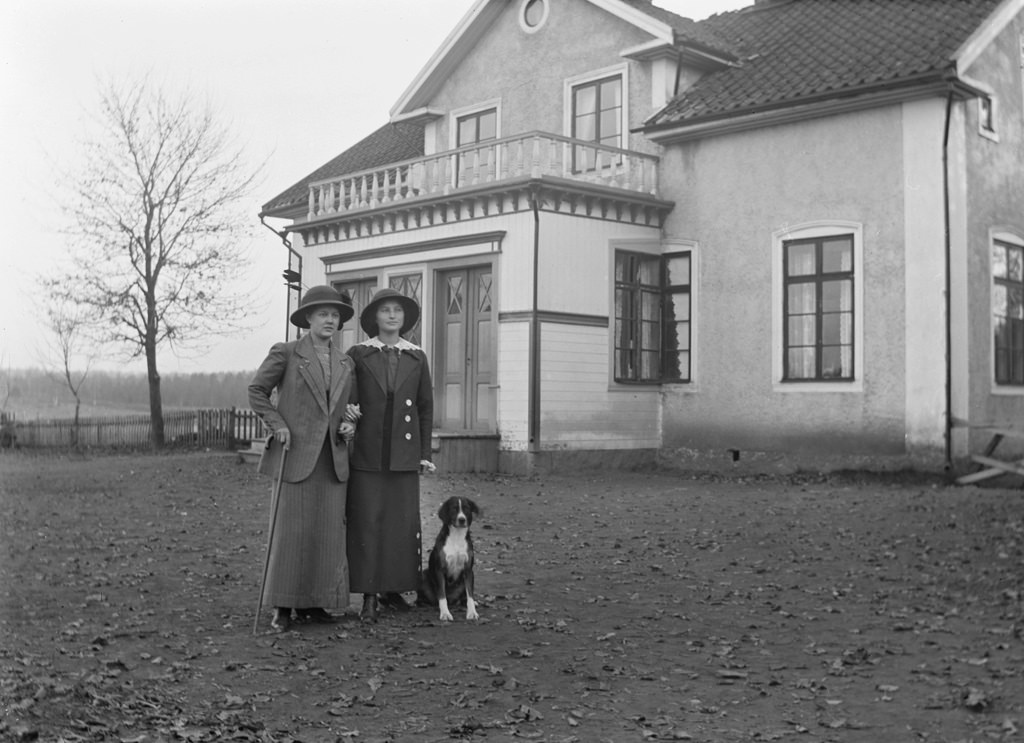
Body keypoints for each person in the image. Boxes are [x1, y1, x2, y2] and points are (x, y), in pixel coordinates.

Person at [248, 285, 358, 632]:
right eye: (323, 314)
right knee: (290, 533)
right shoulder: (287, 353)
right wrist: (277, 425)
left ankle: (314, 604)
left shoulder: (346, 362)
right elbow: (257, 391)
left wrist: (349, 426)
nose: (330, 320)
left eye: (335, 315)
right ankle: (282, 605)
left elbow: (347, 409)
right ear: (308, 318)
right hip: (295, 456)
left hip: (331, 459)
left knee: (326, 534)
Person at [345, 288, 435, 622]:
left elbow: (425, 408)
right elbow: (350, 400)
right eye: (386, 310)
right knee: (369, 522)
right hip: (368, 452)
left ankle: (394, 588)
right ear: (375, 317)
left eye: (398, 310)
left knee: (401, 523)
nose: (393, 316)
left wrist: (423, 453)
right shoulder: (359, 354)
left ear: (405, 318)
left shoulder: (417, 356)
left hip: (403, 454)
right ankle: (369, 594)